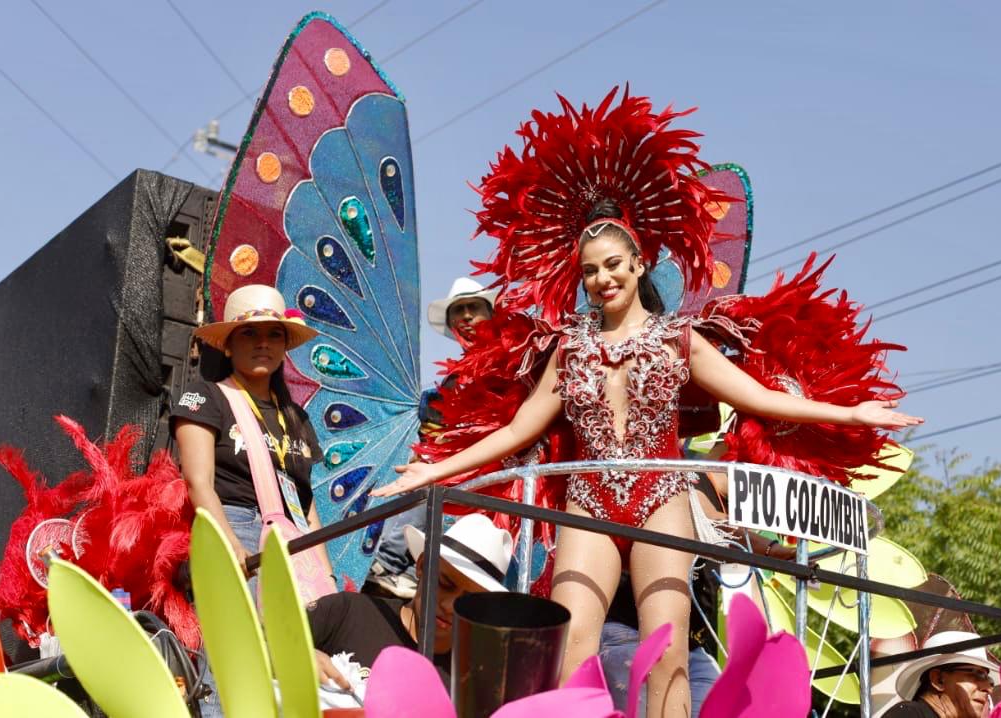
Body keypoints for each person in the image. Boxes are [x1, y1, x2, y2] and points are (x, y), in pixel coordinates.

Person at [378, 89, 920, 717]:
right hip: (590, 499)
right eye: (589, 271)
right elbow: (520, 430)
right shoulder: (570, 347)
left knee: (665, 651)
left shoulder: (679, 340)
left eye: (613, 265)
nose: (602, 279)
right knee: (573, 640)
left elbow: (761, 398)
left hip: (660, 495)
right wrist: (432, 471)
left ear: (638, 265)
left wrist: (851, 414)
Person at [172, 284, 332, 589]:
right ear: (228, 345)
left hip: (293, 544)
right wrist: (229, 542)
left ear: (285, 347)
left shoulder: (297, 417)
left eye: (274, 334)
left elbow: (307, 506)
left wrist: (327, 575)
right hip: (235, 528)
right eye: (249, 333)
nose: (263, 343)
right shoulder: (205, 396)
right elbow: (198, 481)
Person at [367, 277, 499, 598]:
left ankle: (392, 563)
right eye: (459, 311)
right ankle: (394, 566)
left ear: (491, 316)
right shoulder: (453, 375)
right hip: (443, 476)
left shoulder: (506, 362)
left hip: (486, 476)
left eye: (474, 308)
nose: (466, 317)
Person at [311, 513, 513, 688]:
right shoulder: (348, 613)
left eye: (471, 601)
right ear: (422, 565)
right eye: (444, 583)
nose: (450, 606)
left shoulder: (476, 683)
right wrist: (299, 658)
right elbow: (280, 640)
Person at [884, 631, 998, 718]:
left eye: (988, 679)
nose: (988, 689)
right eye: (978, 674)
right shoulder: (908, 714)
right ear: (938, 679)